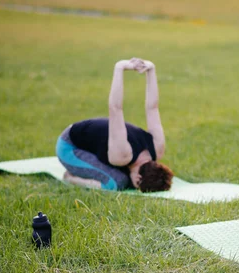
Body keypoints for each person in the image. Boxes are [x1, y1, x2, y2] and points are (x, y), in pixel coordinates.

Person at [56, 58, 173, 192]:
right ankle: (70, 178)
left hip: (88, 136)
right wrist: (119, 68)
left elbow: (153, 108)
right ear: (138, 179)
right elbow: (115, 108)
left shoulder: (157, 149)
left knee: (122, 179)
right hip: (70, 147)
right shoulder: (122, 155)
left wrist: (151, 69)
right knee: (115, 183)